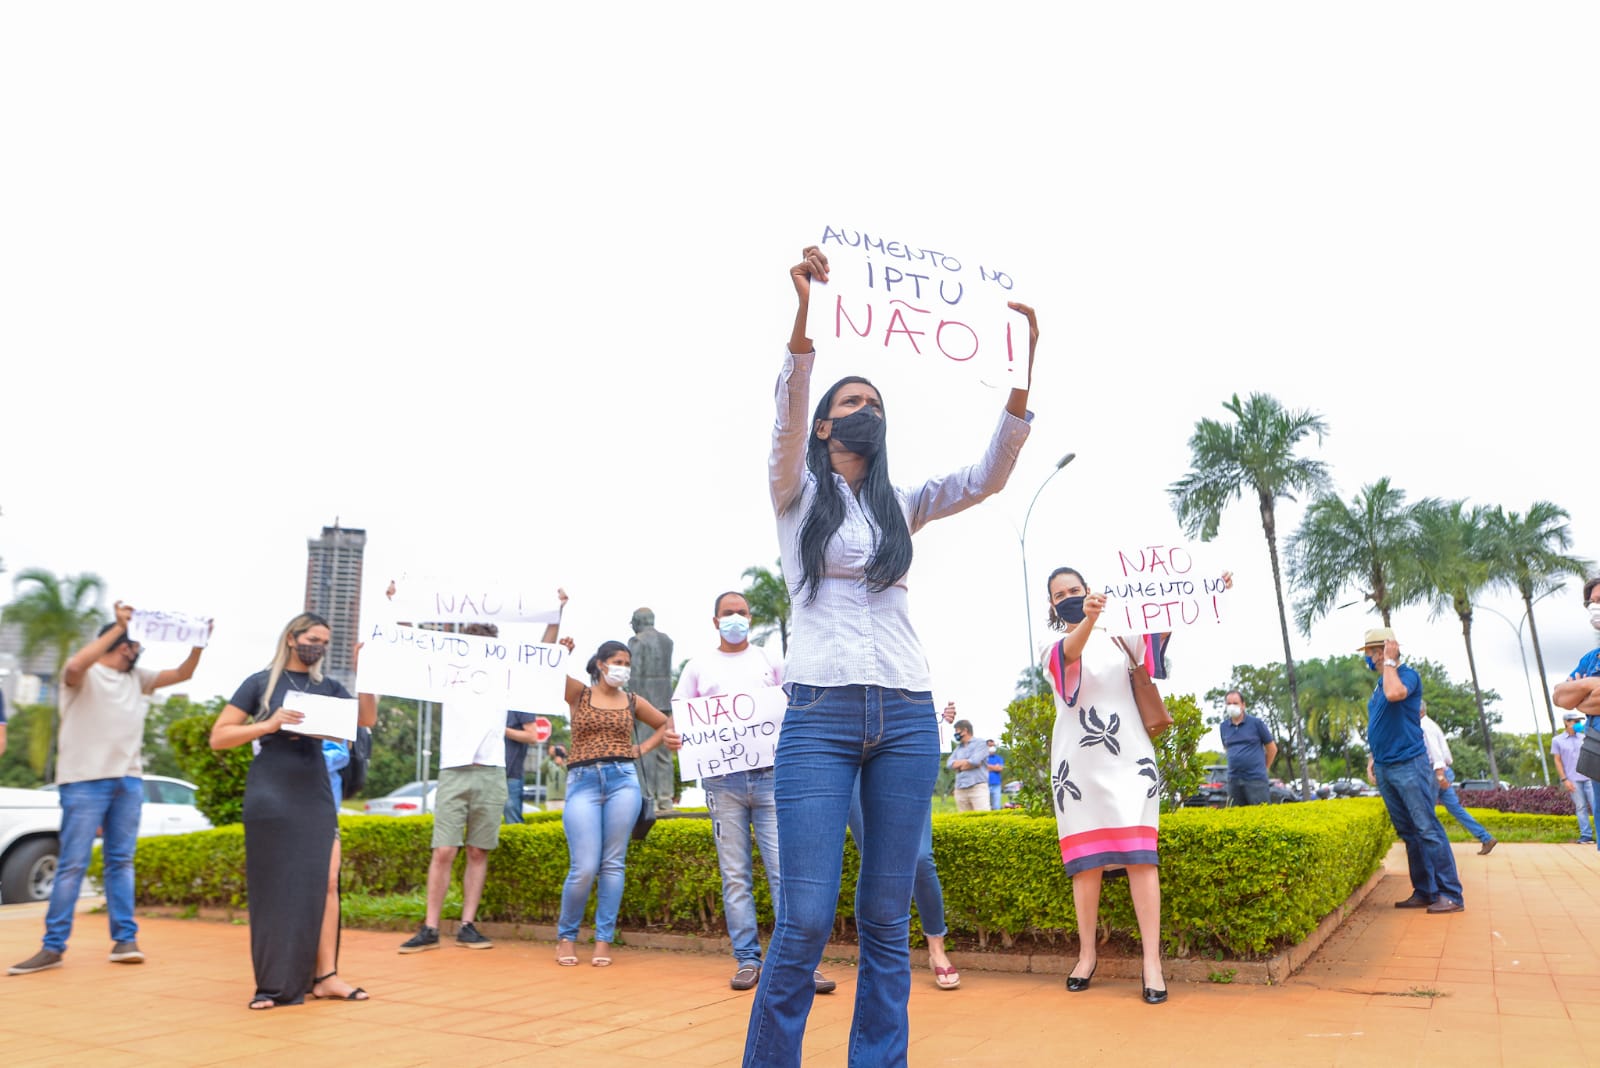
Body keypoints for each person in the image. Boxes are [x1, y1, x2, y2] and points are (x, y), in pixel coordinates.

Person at [743, 244, 1038, 1068]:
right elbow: (786, 414)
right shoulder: (793, 493)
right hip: (819, 715)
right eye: (851, 400)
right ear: (828, 424)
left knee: (884, 918)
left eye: (875, 399)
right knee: (804, 919)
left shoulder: (902, 504)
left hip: (907, 715)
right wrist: (803, 317)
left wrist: (1021, 377)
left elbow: (984, 478)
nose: (866, 407)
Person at [9, 601, 206, 977]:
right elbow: (72, 667)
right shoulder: (84, 676)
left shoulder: (139, 678)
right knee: (72, 865)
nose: (137, 651)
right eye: (133, 644)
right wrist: (119, 627)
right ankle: (53, 948)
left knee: (121, 862)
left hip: (128, 782)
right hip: (83, 782)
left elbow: (183, 673)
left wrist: (198, 644)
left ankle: (125, 941)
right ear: (117, 643)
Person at [208, 612, 377, 1008]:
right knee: (275, 887)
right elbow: (220, 736)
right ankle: (273, 985)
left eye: (324, 641)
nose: (317, 646)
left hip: (313, 789)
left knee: (328, 881)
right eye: (312, 638)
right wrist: (267, 725)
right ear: (292, 638)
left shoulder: (327, 686)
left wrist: (364, 674)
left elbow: (366, 719)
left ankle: (326, 977)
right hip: (271, 789)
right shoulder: (259, 684)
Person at [672, 590, 833, 994]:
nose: (735, 619)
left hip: (770, 778)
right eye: (728, 613)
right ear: (715, 621)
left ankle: (798, 962)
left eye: (741, 612)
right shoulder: (698, 666)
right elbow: (680, 717)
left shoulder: (769, 660)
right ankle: (747, 960)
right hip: (722, 784)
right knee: (735, 875)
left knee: (785, 873)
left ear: (751, 617)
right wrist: (678, 737)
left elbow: (795, 704)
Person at [398, 608, 570, 955]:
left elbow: (539, 658)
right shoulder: (447, 673)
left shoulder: (505, 677)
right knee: (444, 849)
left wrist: (556, 614)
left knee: (478, 850)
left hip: (492, 768)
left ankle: (467, 924)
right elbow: (411, 646)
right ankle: (430, 926)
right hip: (454, 768)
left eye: (485, 644)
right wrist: (402, 607)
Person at [1039, 570, 1171, 1004]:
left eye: (1075, 590)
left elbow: (1158, 636)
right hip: (1077, 767)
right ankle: (1086, 954)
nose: (1070, 598)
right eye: (1061, 595)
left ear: (1089, 588)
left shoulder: (1120, 634)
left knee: (1141, 860)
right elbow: (1070, 655)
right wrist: (1089, 620)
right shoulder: (1049, 643)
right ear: (1052, 605)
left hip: (1130, 758)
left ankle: (1152, 962)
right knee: (1086, 864)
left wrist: (1206, 592)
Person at [555, 640, 681, 967]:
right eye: (617, 661)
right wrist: (560, 651)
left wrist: (642, 749)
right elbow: (541, 671)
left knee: (613, 862)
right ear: (600, 664)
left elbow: (665, 722)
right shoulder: (579, 693)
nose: (623, 666)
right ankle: (566, 937)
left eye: (627, 662)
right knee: (583, 866)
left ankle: (603, 940)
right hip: (582, 781)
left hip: (622, 780)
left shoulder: (631, 700)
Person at [846, 697, 962, 992]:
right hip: (847, 746)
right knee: (872, 860)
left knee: (921, 858)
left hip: (903, 742)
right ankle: (878, 954)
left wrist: (940, 711)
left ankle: (937, 946)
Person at [1359, 627, 1464, 914]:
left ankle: (1451, 894)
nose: (1367, 658)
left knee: (1427, 829)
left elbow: (1396, 695)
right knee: (1409, 832)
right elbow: (1382, 722)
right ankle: (1426, 891)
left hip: (1409, 764)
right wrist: (1373, 757)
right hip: (1386, 767)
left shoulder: (1405, 676)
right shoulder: (1380, 683)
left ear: (1383, 651)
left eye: (1370, 652)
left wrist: (1391, 662)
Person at [1412, 701, 1496, 854]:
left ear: (1419, 711)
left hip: (1435, 773)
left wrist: (1439, 776)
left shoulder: (1424, 726)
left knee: (1425, 811)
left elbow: (1435, 752)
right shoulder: (1430, 724)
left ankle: (1428, 847)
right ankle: (1485, 838)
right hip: (1442, 772)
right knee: (1456, 810)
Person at [1218, 692, 1277, 806]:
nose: (1232, 706)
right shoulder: (1223, 727)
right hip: (1234, 780)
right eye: (1229, 703)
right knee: (1235, 816)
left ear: (1243, 705)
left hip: (1256, 780)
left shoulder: (1256, 723)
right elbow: (1227, 748)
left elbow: (1272, 748)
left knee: (1260, 815)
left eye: (1235, 703)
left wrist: (1265, 767)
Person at [1550, 711, 1593, 844]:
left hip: (1590, 777)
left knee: (1597, 806)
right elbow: (1557, 760)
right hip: (1572, 779)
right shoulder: (1557, 740)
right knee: (1580, 807)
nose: (1578, 724)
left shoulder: (1585, 737)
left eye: (1579, 722)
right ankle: (1586, 836)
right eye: (1575, 721)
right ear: (1566, 722)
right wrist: (1564, 779)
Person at [503, 707, 544, 825]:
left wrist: (501, 728)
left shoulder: (521, 703)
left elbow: (532, 736)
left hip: (511, 774)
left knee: (512, 821)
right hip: (485, 771)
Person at [947, 712, 991, 811]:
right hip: (960, 788)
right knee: (964, 820)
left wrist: (959, 766)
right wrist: (966, 764)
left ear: (965, 731)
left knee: (983, 818)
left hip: (977, 788)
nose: (956, 734)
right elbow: (949, 764)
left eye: (957, 731)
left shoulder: (980, 743)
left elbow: (975, 761)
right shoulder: (958, 748)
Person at [986, 739, 1004, 812]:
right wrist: (994, 767)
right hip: (985, 785)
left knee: (996, 806)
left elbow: (1000, 768)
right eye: (990, 746)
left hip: (996, 785)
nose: (992, 747)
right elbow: (982, 768)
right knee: (986, 807)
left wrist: (988, 767)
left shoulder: (999, 758)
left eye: (993, 746)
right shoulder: (983, 758)